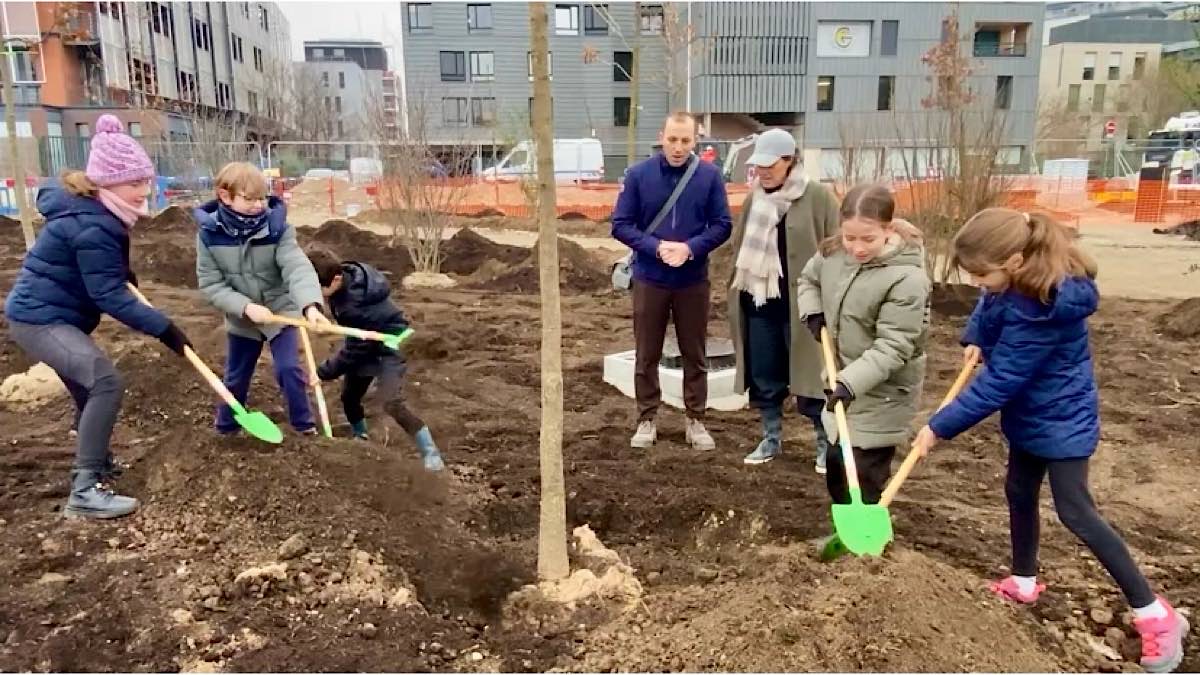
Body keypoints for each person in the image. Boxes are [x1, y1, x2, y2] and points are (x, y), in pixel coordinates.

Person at [913, 208, 1188, 674]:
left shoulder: (1044, 307)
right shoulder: (1012, 282)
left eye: (983, 273)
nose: (978, 283)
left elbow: (1001, 382)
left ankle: (1154, 614)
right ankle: (1023, 580)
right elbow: (990, 304)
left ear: (1016, 261)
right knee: (1018, 491)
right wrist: (976, 336)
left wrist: (939, 426)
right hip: (1031, 416)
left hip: (1062, 420)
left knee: (1076, 512)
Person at [3, 114, 192, 519]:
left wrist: (118, 270)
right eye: (134, 183)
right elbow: (107, 295)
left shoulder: (97, 214)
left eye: (146, 180)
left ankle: (98, 464)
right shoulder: (95, 223)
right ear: (106, 183)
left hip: (56, 316)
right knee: (105, 381)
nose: (144, 190)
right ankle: (85, 490)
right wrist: (164, 328)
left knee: (91, 388)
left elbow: (98, 273)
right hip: (40, 319)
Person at [796, 184, 929, 505]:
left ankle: (866, 548)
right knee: (837, 467)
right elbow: (809, 279)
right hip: (843, 380)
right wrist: (813, 312)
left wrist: (849, 383)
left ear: (888, 228)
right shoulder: (833, 255)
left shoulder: (906, 279)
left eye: (867, 239)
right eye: (849, 238)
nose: (857, 248)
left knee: (864, 473)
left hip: (882, 392)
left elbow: (894, 346)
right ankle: (847, 531)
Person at [611, 111, 733, 450]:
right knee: (646, 352)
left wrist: (691, 249)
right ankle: (647, 418)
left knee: (695, 353)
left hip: (693, 280)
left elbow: (723, 224)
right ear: (661, 136)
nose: (678, 147)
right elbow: (620, 223)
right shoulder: (638, 175)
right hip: (650, 278)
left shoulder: (709, 177)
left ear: (696, 141)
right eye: (672, 139)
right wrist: (656, 247)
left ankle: (695, 419)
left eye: (685, 140)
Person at [727, 129, 840, 468]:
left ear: (790, 161)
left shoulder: (818, 197)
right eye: (758, 164)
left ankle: (824, 444)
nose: (762, 171)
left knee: (812, 377)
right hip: (760, 302)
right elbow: (738, 246)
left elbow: (836, 249)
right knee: (765, 374)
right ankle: (771, 438)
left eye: (769, 164)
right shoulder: (755, 198)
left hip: (804, 307)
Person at [195, 162, 328, 436]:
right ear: (225, 195)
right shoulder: (209, 235)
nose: (258, 205)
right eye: (249, 198)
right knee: (236, 377)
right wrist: (244, 307)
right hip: (242, 317)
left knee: (289, 369)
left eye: (261, 198)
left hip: (280, 310)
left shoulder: (277, 228)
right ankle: (226, 429)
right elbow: (211, 284)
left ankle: (304, 428)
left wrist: (310, 305)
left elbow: (296, 266)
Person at [306, 247, 445, 472]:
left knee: (391, 402)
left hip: (389, 344)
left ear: (337, 278)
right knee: (350, 397)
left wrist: (323, 372)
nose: (319, 294)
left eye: (321, 289)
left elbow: (354, 350)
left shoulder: (354, 306)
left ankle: (431, 453)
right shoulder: (350, 276)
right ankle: (362, 438)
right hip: (367, 339)